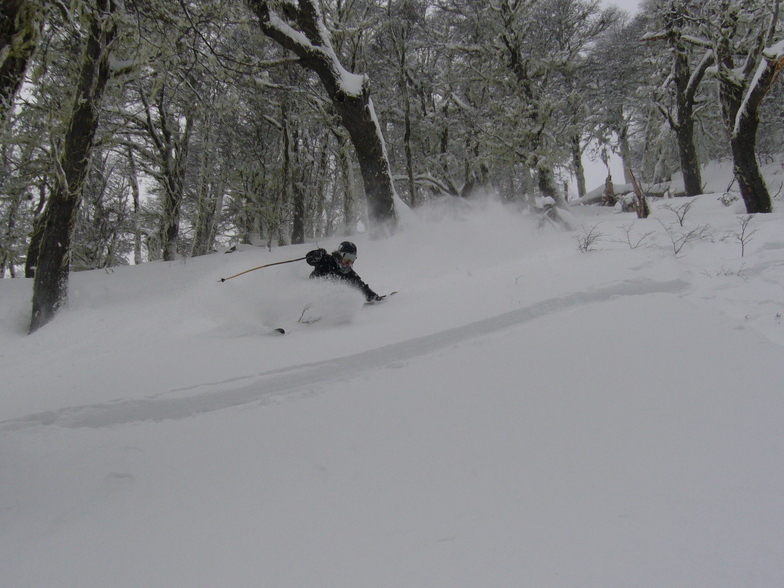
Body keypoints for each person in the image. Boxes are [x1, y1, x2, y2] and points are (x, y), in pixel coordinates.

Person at [305, 241, 384, 302]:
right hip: (312, 293)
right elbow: (310, 260)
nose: (349, 260)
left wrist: (375, 297)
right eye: (347, 256)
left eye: (352, 257)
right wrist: (316, 255)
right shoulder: (327, 260)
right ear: (340, 255)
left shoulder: (349, 273)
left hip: (327, 299)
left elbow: (361, 287)